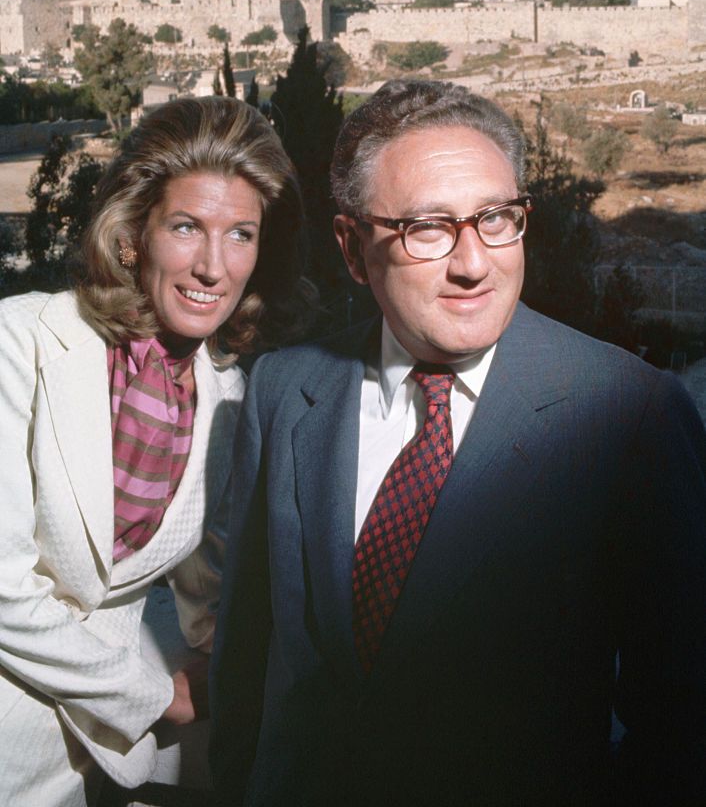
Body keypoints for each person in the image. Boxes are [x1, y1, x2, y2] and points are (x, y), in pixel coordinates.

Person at [210, 80, 706, 806]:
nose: (475, 263)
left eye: (497, 219)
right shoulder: (285, 391)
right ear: (352, 248)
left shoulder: (633, 415)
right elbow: (247, 670)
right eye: (428, 229)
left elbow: (685, 728)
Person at [0, 96, 310, 807]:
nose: (212, 266)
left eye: (240, 235)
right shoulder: (19, 343)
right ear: (133, 235)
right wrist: (152, 697)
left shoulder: (228, 396)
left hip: (90, 762)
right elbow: (4, 586)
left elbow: (206, 572)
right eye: (185, 228)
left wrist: (222, 662)